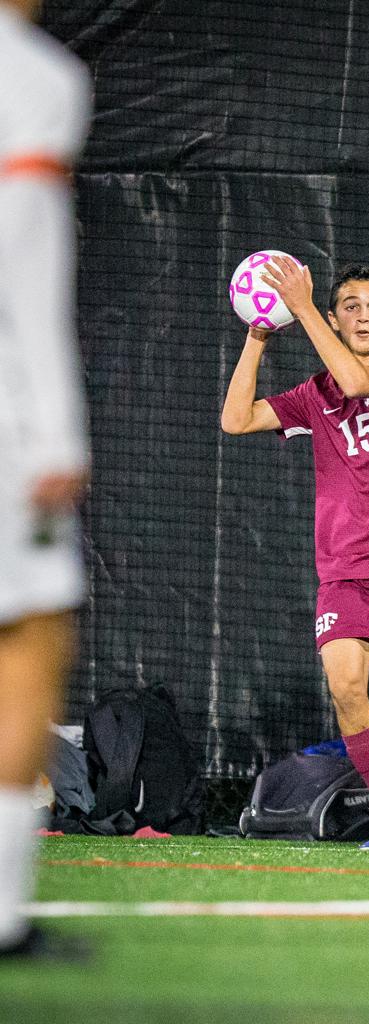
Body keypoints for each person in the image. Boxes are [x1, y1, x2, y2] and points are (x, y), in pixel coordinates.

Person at [222, 256, 369, 850]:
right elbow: (235, 420)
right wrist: (258, 335)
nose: (362, 315)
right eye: (349, 306)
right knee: (346, 688)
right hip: (345, 570)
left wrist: (301, 307)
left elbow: (358, 381)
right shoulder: (314, 395)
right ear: (335, 316)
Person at [0, 0, 92, 952]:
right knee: (26, 644)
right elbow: (22, 262)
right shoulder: (32, 77)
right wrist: (58, 434)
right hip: (5, 420)